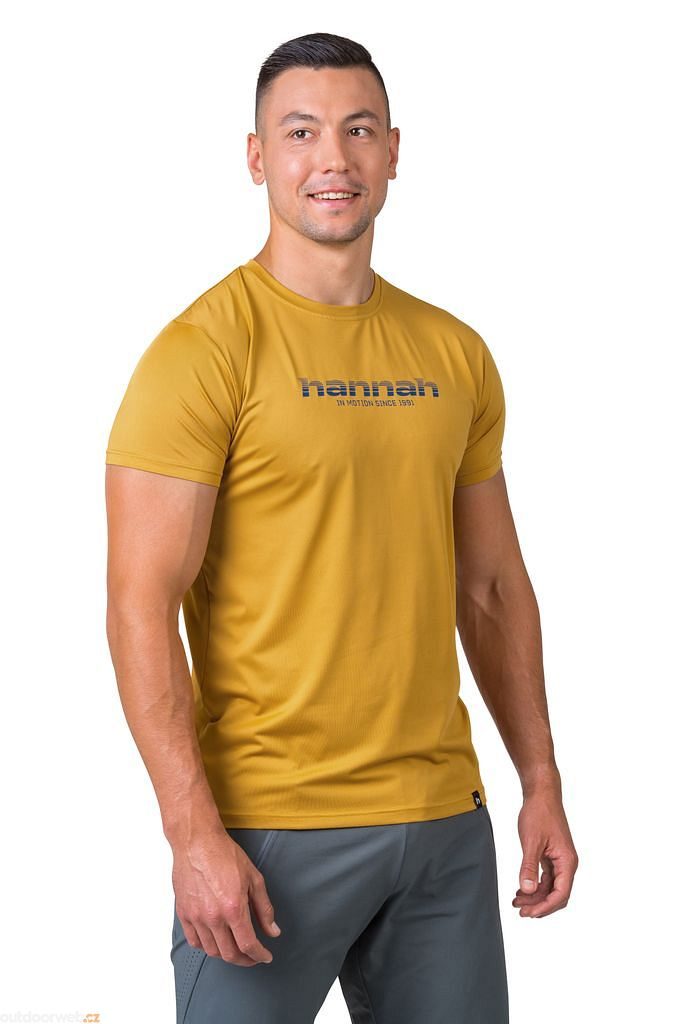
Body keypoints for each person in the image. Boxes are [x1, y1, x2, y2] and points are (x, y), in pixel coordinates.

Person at [104, 31, 578, 1024]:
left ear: (393, 151)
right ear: (255, 158)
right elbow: (139, 606)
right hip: (268, 834)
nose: (333, 158)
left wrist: (538, 779)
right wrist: (191, 833)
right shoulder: (201, 353)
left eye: (358, 131)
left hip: (441, 826)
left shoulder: (453, 352)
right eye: (300, 132)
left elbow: (491, 587)